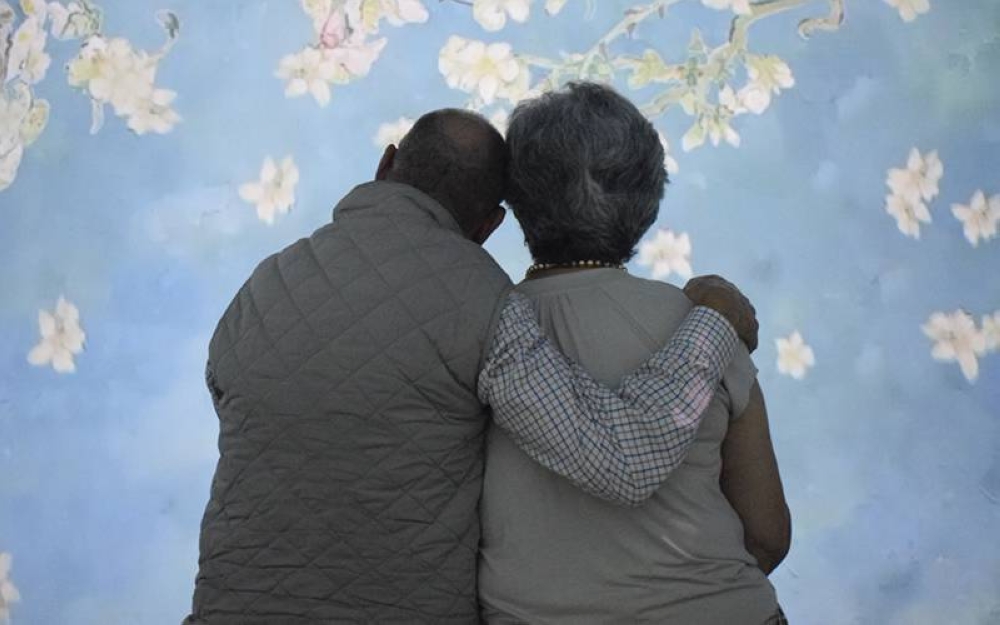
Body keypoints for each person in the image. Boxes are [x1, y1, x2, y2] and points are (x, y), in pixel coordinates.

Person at [184, 108, 760, 624]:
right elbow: (623, 462)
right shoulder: (481, 301)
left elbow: (237, 410)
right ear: (488, 227)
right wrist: (715, 320)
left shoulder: (263, 283)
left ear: (386, 164)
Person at [478, 82, 792, 625]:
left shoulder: (475, 328)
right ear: (647, 203)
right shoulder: (711, 321)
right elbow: (767, 535)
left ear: (516, 200)